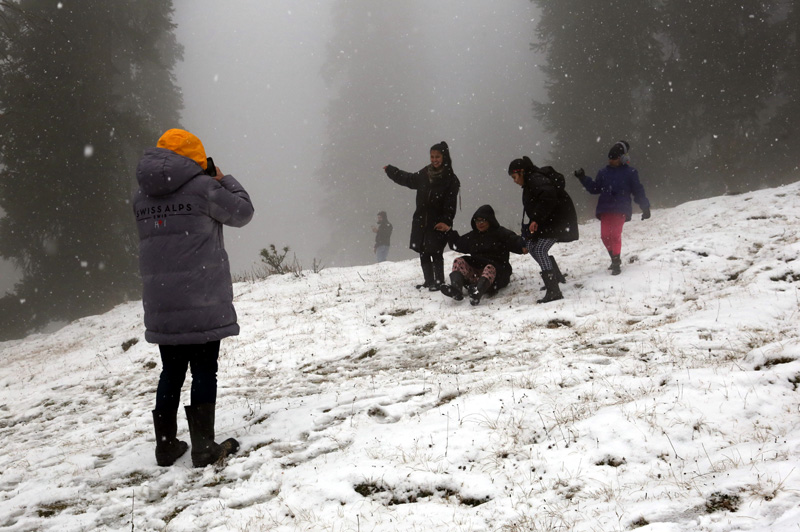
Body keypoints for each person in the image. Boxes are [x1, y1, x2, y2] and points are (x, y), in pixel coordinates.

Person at [133, 128, 254, 468]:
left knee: (170, 371)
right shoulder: (205, 188)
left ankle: (166, 446)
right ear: (195, 159)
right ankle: (203, 447)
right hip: (201, 297)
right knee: (204, 369)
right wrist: (223, 178)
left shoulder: (140, 197)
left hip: (162, 301)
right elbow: (243, 213)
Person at [384, 141, 460, 290]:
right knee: (423, 251)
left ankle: (439, 281)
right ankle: (429, 281)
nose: (434, 159)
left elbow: (450, 204)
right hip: (420, 220)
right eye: (432, 156)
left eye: (437, 156)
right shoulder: (425, 173)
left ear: (444, 157)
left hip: (438, 221)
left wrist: (446, 221)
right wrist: (392, 171)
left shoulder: (450, 179)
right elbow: (409, 179)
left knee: (436, 251)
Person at [574, 140, 650, 275]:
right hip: (605, 209)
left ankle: (616, 263)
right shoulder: (603, 172)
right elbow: (594, 188)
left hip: (621, 209)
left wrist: (645, 207)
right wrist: (583, 178)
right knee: (604, 236)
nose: (611, 161)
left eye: (614, 158)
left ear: (622, 158)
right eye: (610, 158)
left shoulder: (630, 172)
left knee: (615, 235)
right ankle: (614, 258)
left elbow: (638, 190)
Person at [508, 156, 578, 303]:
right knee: (532, 247)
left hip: (557, 222)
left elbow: (548, 198)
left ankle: (553, 291)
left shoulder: (535, 180)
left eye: (514, 177)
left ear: (521, 172)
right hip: (550, 222)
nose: (514, 181)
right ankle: (556, 277)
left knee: (539, 249)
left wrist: (536, 219)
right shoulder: (532, 181)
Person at [440, 204, 525, 306]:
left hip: (497, 275)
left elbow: (515, 241)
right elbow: (457, 244)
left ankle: (477, 293)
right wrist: (448, 231)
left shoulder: (500, 233)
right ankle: (456, 289)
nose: (479, 224)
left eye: (482, 220)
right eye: (477, 221)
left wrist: (523, 245)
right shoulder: (473, 236)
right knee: (459, 261)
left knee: (489, 268)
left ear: (490, 220)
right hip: (475, 274)